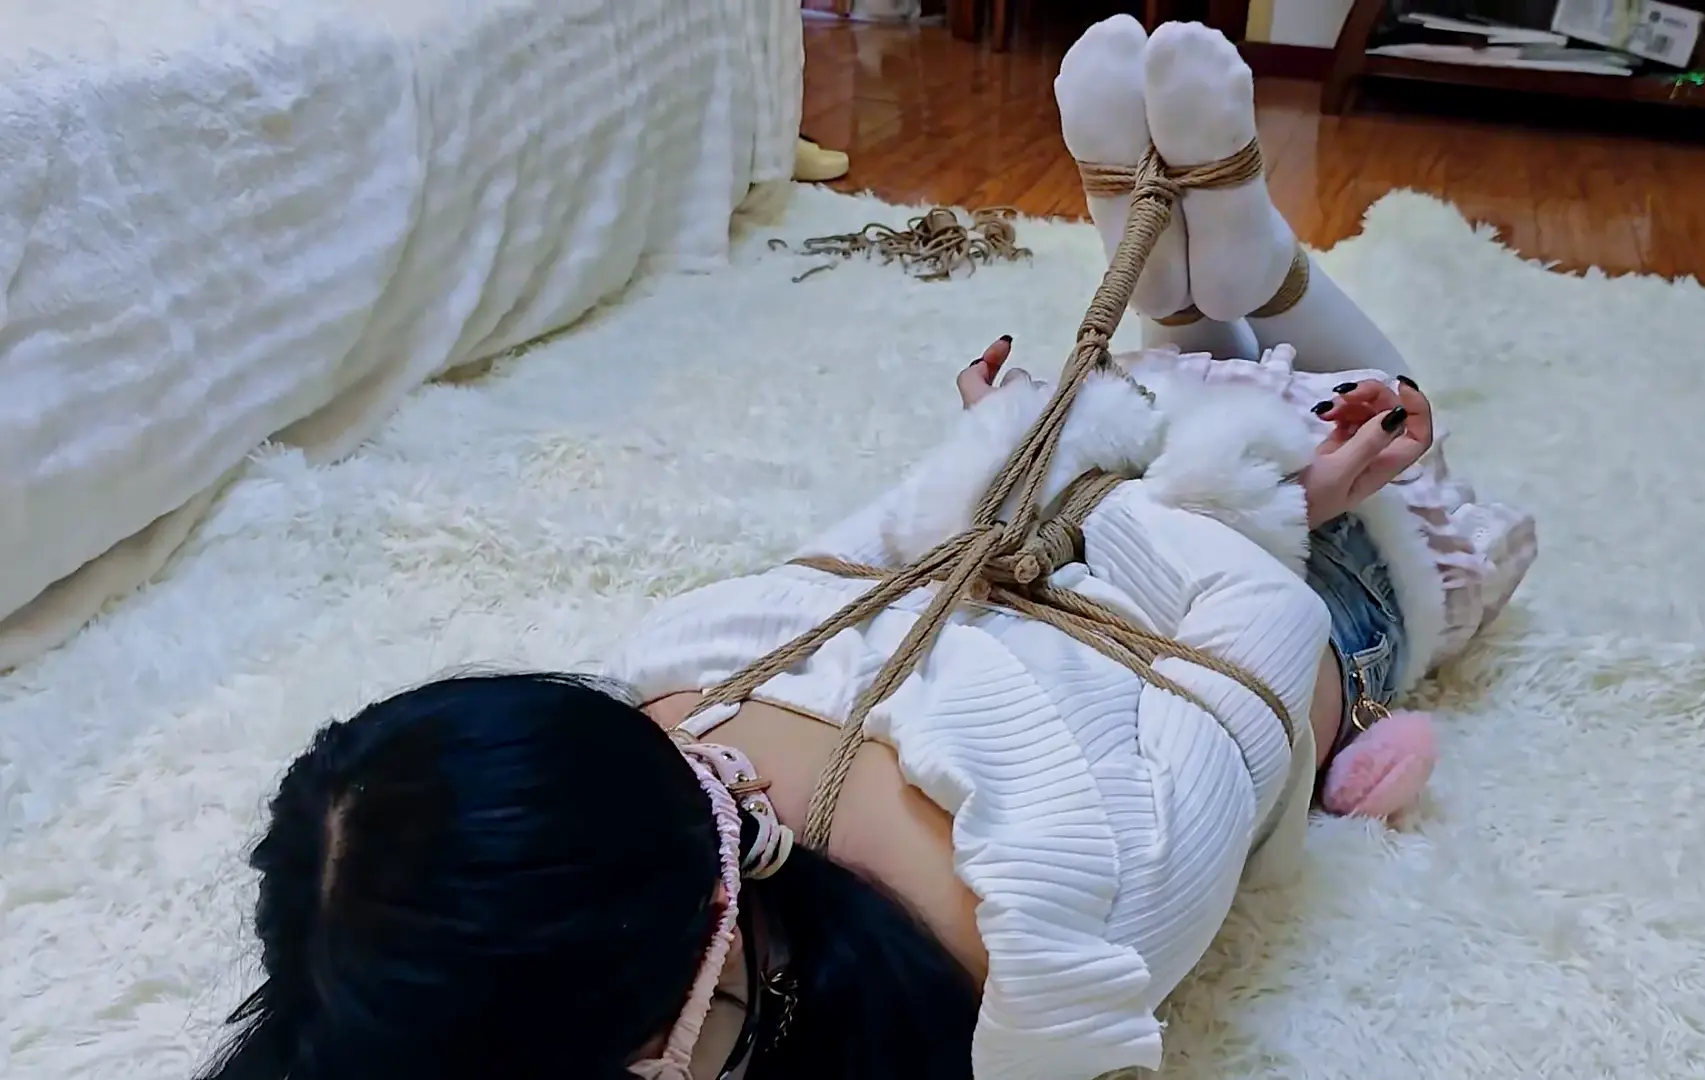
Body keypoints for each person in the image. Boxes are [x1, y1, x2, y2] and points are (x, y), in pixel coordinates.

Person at [196, 17, 1535, 1080]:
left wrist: (1100, 465)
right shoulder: (671, 705)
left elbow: (1249, 669)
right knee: (1216, 401)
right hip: (1164, 572)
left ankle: (1226, 274)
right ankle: (1216, 270)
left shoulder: (1044, 922)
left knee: (1369, 450)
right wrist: (1070, 466)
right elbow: (903, 555)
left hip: (1273, 580)